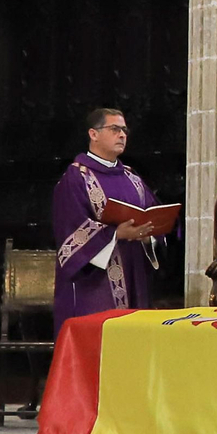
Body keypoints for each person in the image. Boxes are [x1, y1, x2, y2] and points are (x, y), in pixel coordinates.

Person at [52, 109, 162, 333]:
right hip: (94, 283)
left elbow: (154, 213)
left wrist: (149, 232)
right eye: (114, 129)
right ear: (93, 134)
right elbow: (70, 228)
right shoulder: (76, 177)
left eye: (124, 130)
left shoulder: (133, 178)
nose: (122, 135)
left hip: (133, 272)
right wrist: (116, 234)